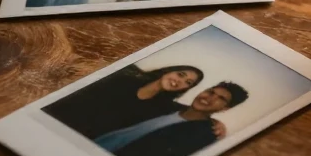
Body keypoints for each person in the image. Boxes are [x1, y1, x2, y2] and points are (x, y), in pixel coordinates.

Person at [96, 82, 248, 156]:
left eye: (221, 99)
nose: (209, 98)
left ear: (225, 109)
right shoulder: (168, 106)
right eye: (210, 91)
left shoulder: (205, 136)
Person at [42, 64, 203, 140]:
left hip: (79, 140)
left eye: (188, 82)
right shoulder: (124, 77)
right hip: (54, 120)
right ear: (169, 71)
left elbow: (194, 111)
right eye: (181, 74)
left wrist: (216, 121)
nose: (180, 81)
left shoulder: (163, 107)